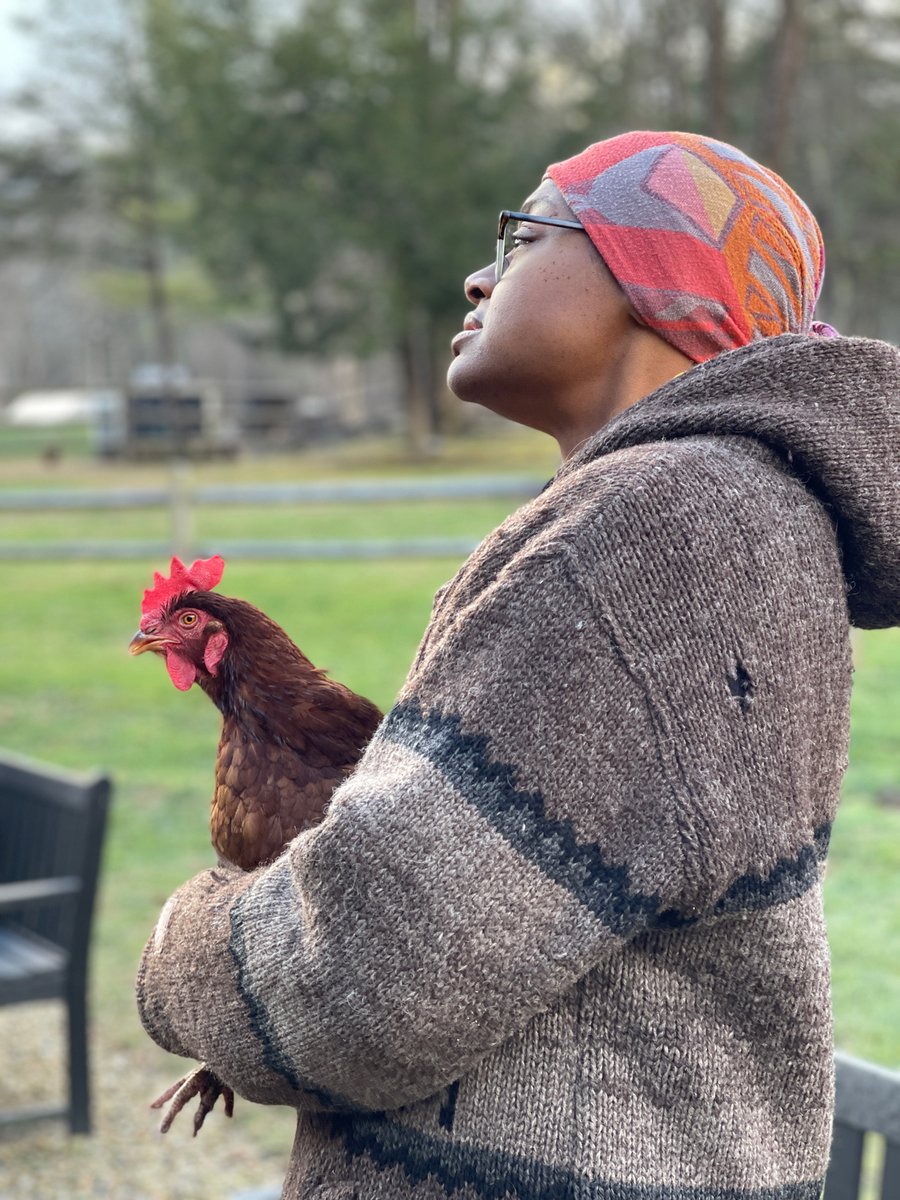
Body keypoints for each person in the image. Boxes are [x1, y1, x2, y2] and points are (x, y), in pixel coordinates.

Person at [136, 131, 900, 1199]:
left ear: (657, 280)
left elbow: (365, 980)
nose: (477, 273)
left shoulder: (652, 530)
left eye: (526, 233)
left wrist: (178, 947)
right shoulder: (726, 510)